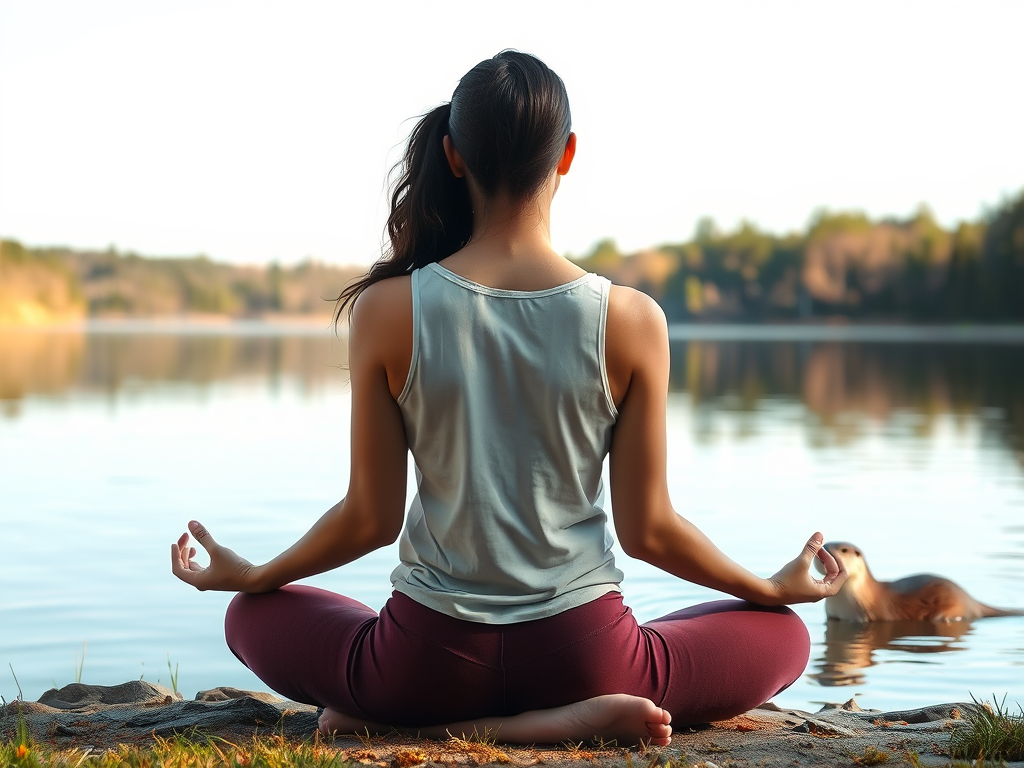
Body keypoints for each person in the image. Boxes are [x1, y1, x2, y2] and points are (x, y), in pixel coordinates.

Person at [170, 51, 847, 747]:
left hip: (423, 664)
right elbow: (650, 530)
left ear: (452, 156)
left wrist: (251, 574)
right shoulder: (633, 319)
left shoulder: (388, 310)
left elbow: (369, 519)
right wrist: (767, 589)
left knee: (246, 616)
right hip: (588, 659)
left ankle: (433, 725)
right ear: (569, 156)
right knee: (785, 637)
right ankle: (559, 722)